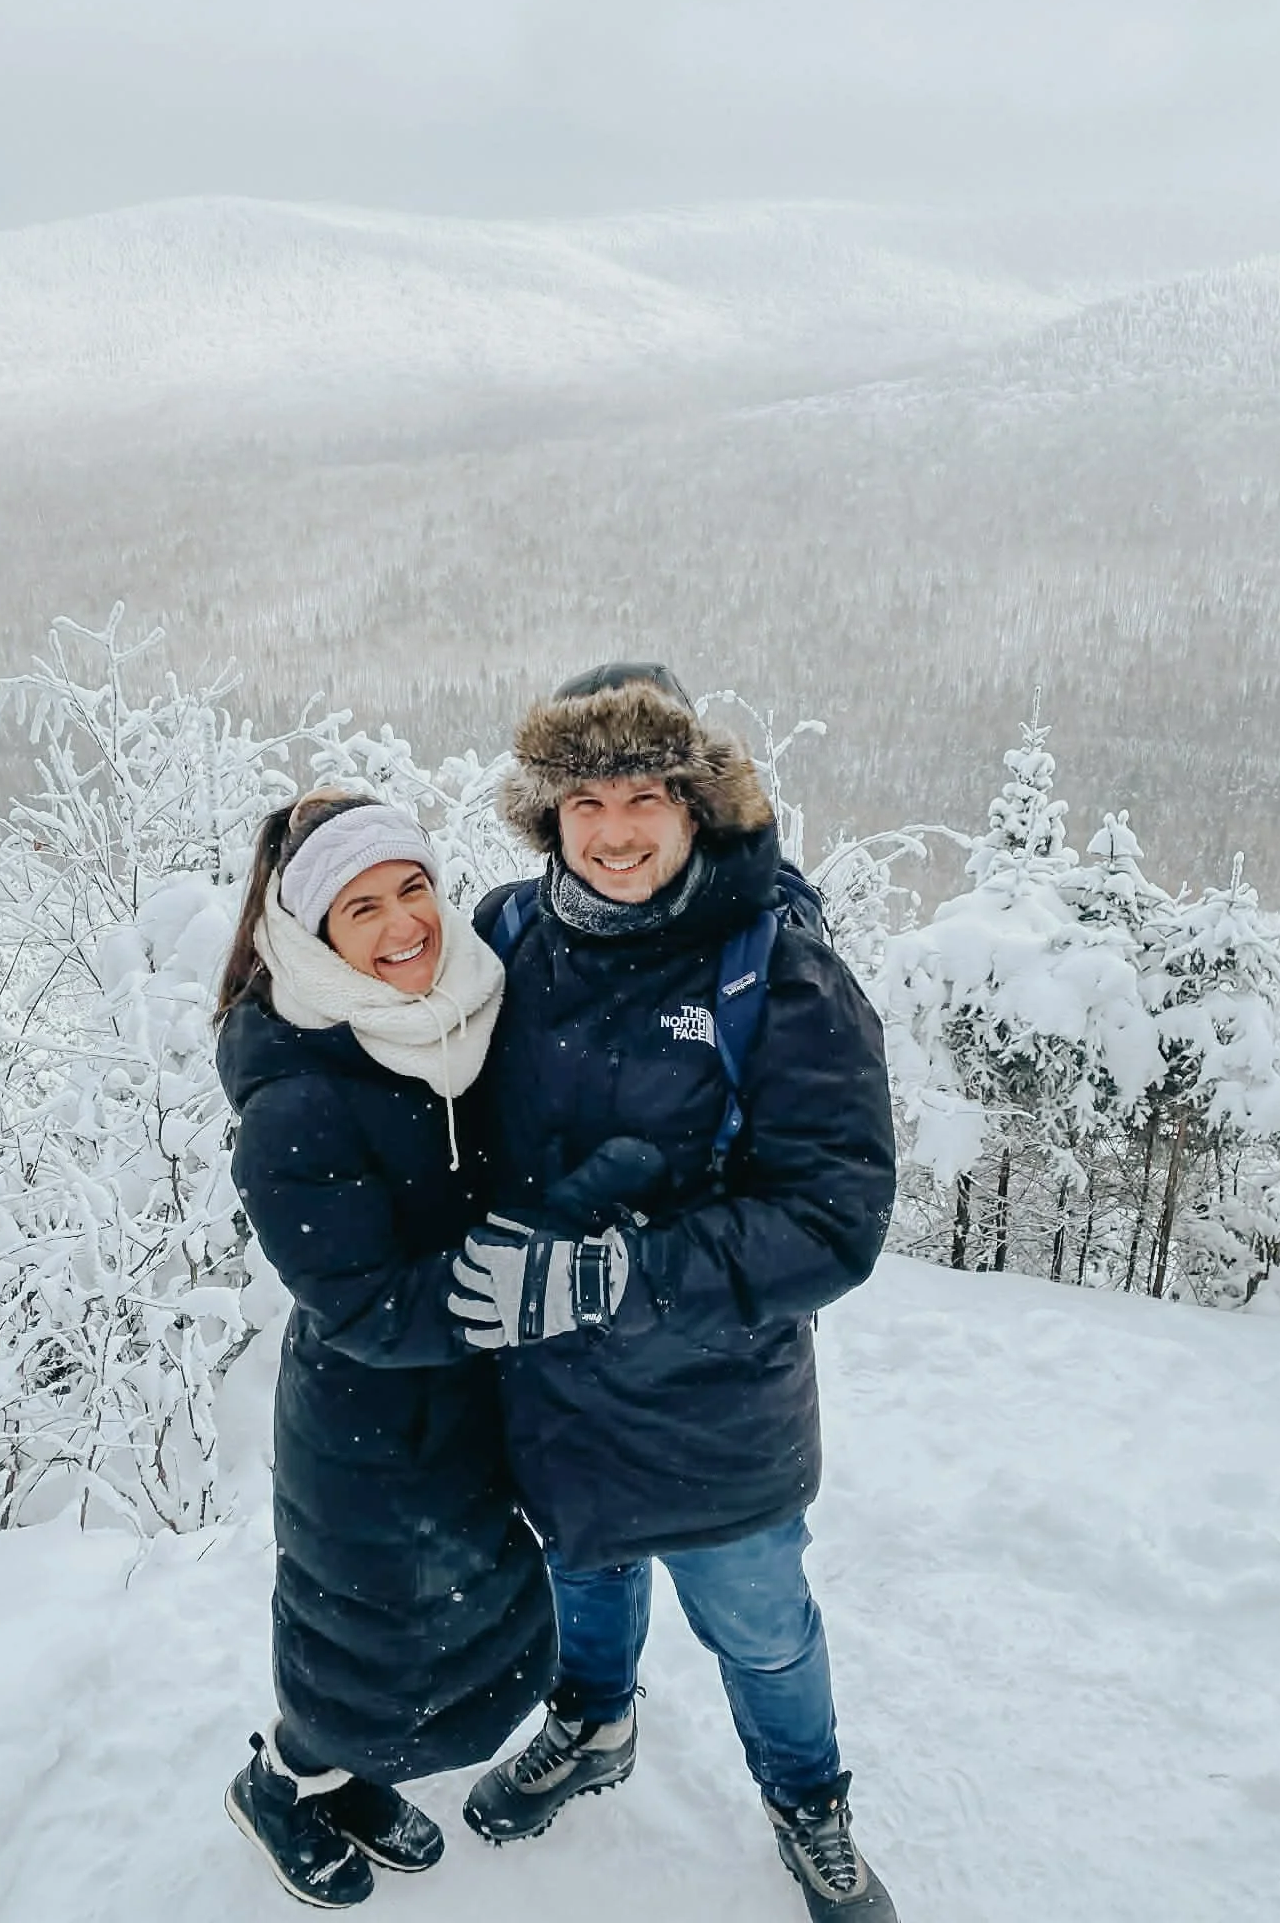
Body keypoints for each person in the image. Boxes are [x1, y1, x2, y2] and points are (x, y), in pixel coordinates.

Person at [449, 664, 902, 1922]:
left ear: (694, 803)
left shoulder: (774, 968)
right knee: (585, 1572)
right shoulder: (507, 935)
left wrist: (616, 1271)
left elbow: (835, 1218)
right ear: (549, 813)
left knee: (760, 1624)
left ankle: (806, 1797)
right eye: (585, 799)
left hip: (716, 1395)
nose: (615, 829)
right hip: (551, 1383)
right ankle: (595, 1721)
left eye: (644, 793)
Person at [213, 787, 557, 1909]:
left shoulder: (459, 1011)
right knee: (362, 1648)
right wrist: (527, 1295)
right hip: (366, 1430)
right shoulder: (298, 1093)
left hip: (461, 1406)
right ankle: (279, 1783)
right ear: (317, 934)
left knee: (438, 1635)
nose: (405, 922)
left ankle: (348, 1776)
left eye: (414, 888)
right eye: (363, 908)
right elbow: (361, 1302)